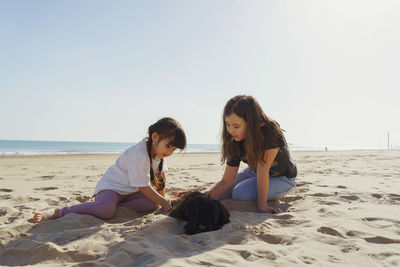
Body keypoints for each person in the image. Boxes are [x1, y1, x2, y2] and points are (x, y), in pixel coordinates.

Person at [32, 117, 186, 223]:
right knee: (106, 210)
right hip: (111, 188)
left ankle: (110, 206)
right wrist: (164, 202)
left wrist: (163, 201)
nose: (170, 151)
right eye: (168, 146)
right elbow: (144, 186)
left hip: (129, 194)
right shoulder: (139, 153)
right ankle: (59, 212)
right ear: (154, 137)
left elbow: (160, 179)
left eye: (174, 149)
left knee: (152, 204)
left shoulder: (159, 154)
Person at [203, 95, 297, 213]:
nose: (231, 130)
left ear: (251, 123)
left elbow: (263, 169)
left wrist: (262, 206)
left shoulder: (269, 131)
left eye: (236, 126)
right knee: (217, 194)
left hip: (282, 178)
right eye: (227, 124)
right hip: (254, 171)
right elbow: (226, 181)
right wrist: (196, 197)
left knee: (240, 193)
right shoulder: (234, 140)